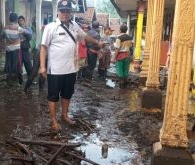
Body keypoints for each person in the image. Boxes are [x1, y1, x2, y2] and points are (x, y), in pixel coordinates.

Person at [40, 0, 103, 131]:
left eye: (68, 11)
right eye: (62, 11)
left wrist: (97, 42)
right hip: (55, 70)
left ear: (70, 12)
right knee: (53, 95)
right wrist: (42, 66)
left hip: (71, 69)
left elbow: (84, 36)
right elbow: (43, 48)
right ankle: (53, 120)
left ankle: (64, 115)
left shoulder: (74, 26)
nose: (65, 13)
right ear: (58, 12)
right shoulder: (50, 27)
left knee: (67, 94)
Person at [0, 12, 22, 86]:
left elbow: (1, 36)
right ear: (16, 20)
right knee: (16, 63)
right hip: (16, 49)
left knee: (9, 63)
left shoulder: (5, 28)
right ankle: (15, 80)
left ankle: (9, 80)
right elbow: (27, 34)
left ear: (9, 19)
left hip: (8, 49)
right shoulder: (18, 28)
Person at [112, 24, 133, 88]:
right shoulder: (130, 37)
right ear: (126, 30)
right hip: (127, 55)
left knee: (120, 70)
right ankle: (125, 84)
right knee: (125, 70)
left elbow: (117, 48)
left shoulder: (119, 38)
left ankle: (121, 84)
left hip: (121, 55)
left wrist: (113, 57)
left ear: (120, 30)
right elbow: (131, 47)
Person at [18, 15, 33, 90]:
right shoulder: (17, 29)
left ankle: (30, 80)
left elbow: (30, 37)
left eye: (22, 20)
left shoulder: (28, 28)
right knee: (19, 66)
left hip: (26, 49)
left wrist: (24, 31)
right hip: (19, 50)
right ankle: (20, 82)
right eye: (19, 20)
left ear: (24, 21)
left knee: (29, 66)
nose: (21, 22)